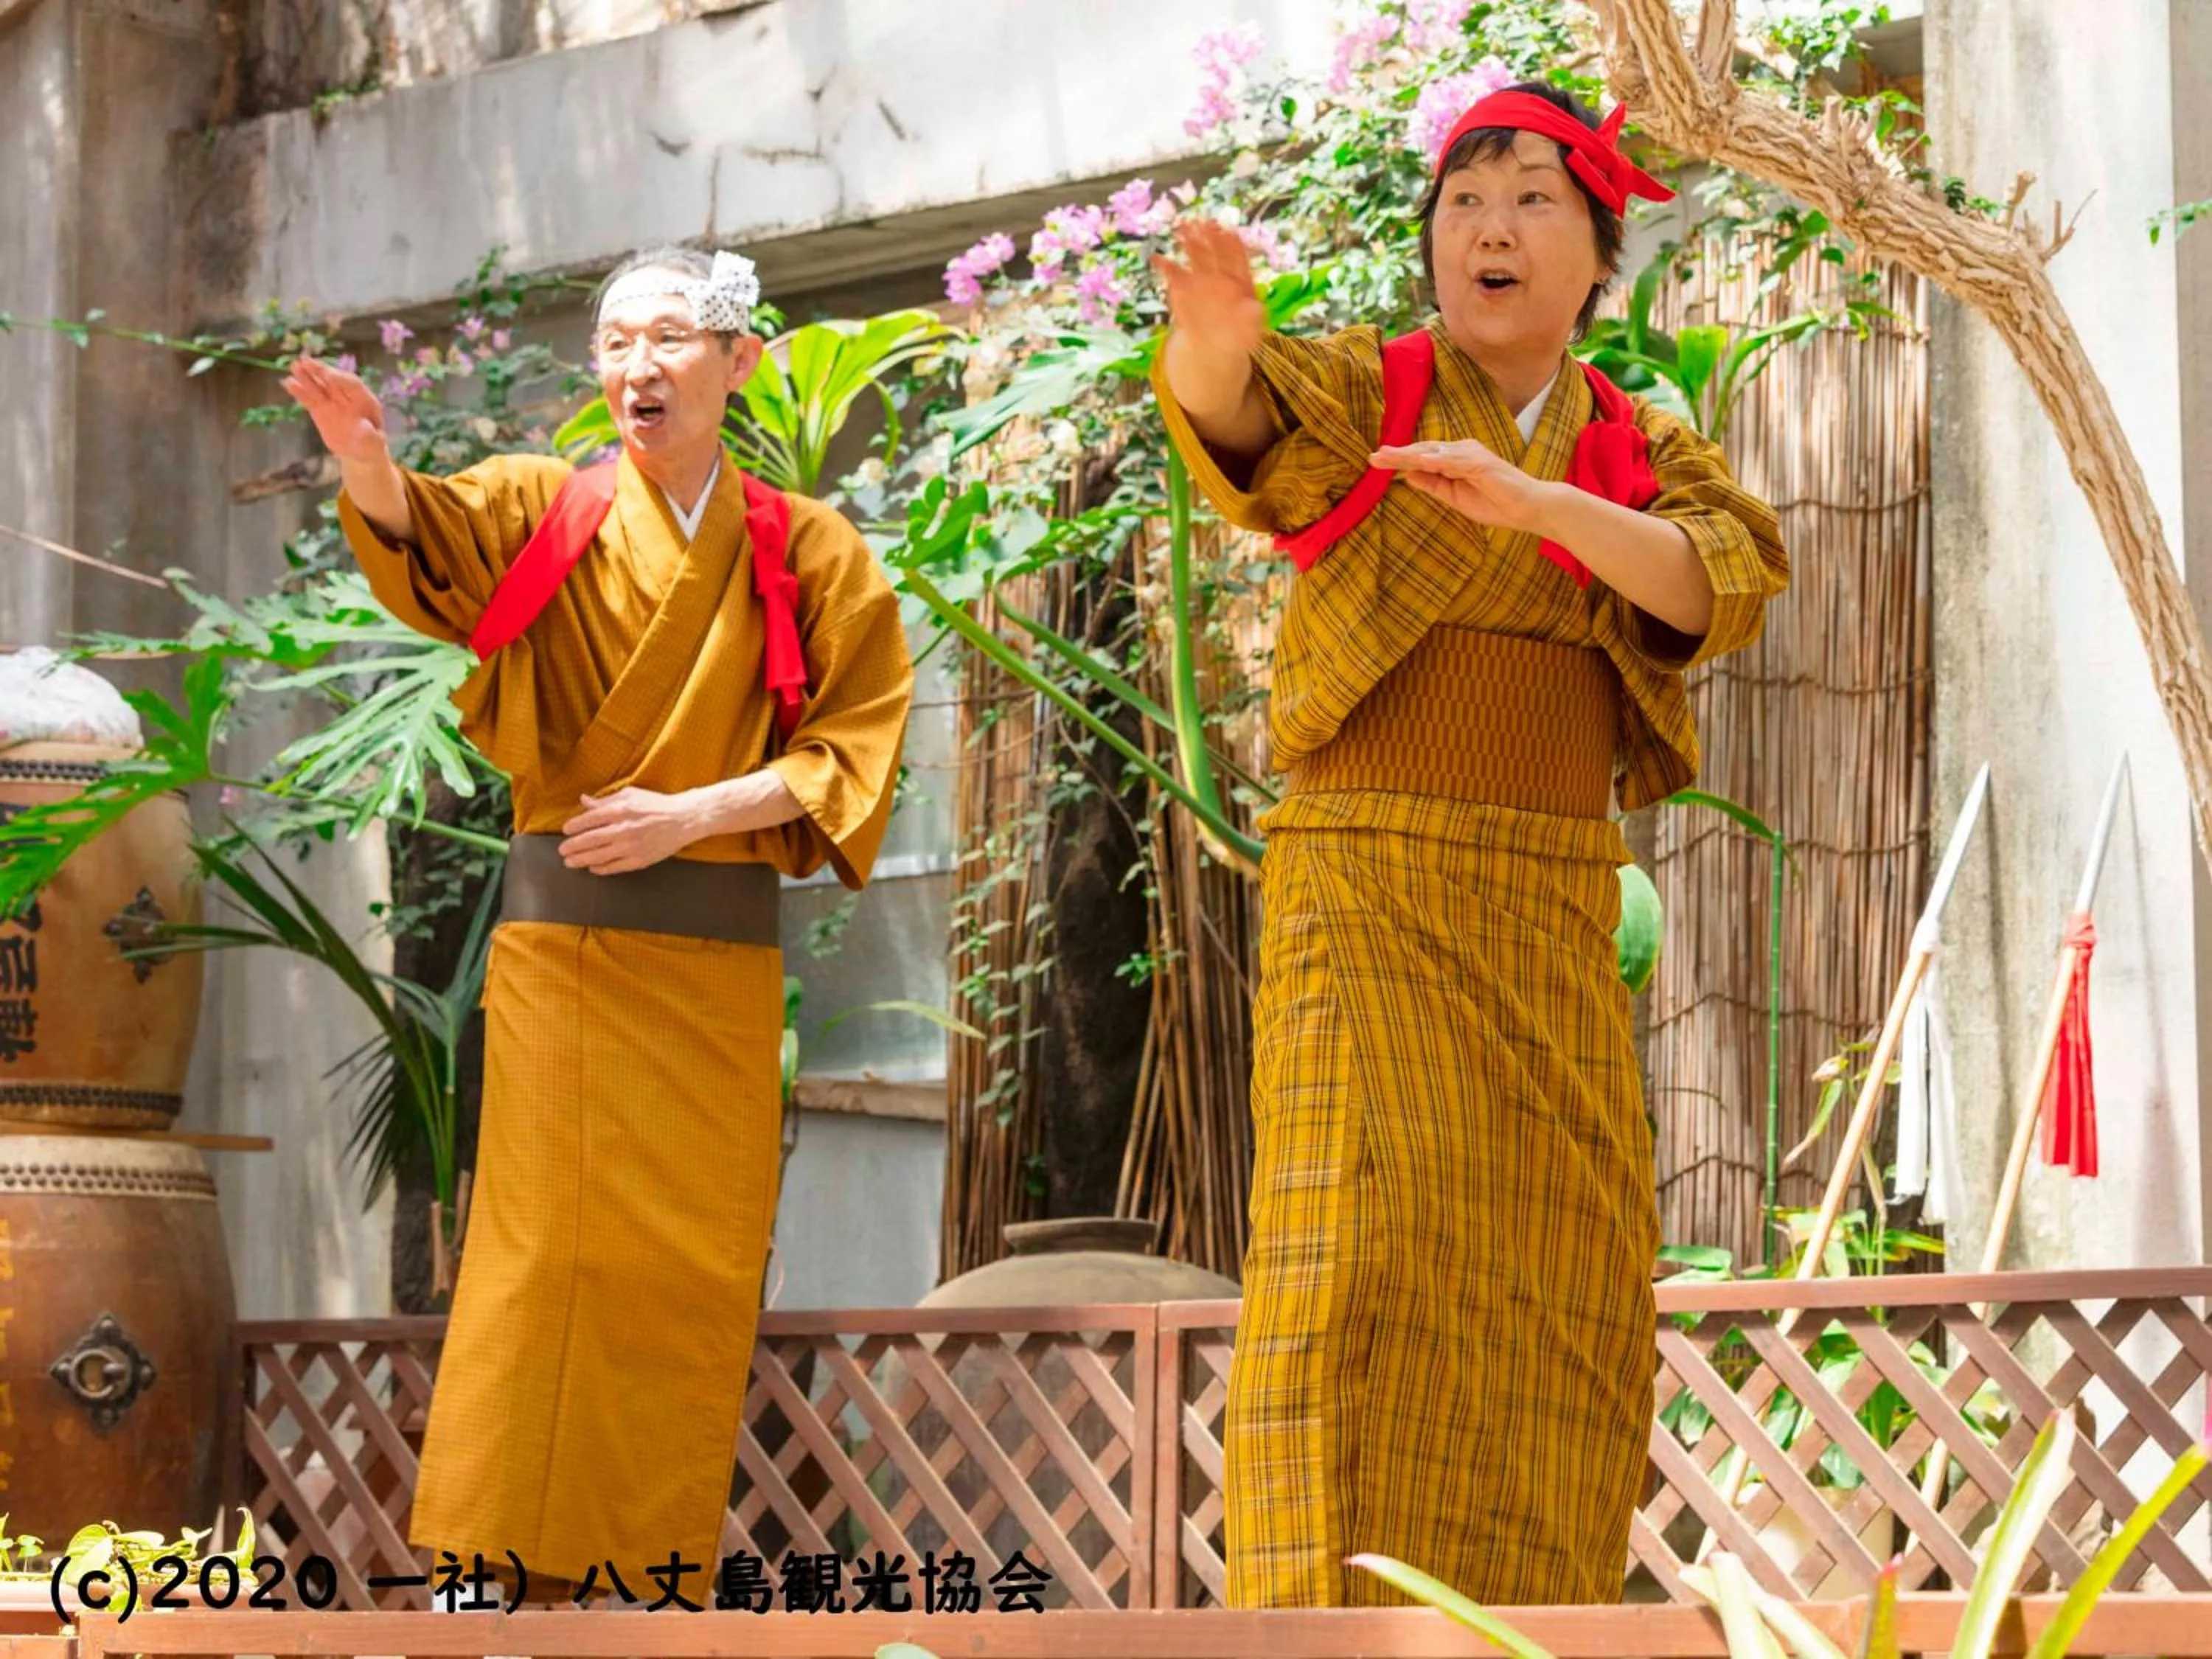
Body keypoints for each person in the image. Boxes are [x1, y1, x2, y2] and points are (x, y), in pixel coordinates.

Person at [1150, 83, 1788, 1608]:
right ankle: (1327, 1633)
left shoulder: (1634, 448)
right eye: (1464, 202)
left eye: (1532, 202)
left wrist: (1543, 506)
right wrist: (1216, 338)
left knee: (1562, 1281)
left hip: (1555, 898)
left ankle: (1532, 1626)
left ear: (1596, 256)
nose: (1490, 229)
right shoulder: (1369, 392)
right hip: (1364, 884)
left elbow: (1720, 582)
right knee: (1352, 1270)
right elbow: (1241, 416)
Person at [284, 245, 914, 1595]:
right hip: (566, 954)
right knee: (543, 1259)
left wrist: (694, 813)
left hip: (723, 969)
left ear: (741, 361)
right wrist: (366, 465)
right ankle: (489, 1576)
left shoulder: (812, 549)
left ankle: (647, 1582)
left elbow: (855, 745)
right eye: (618, 339)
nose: (640, 364)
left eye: (674, 336)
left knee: (687, 1275)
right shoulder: (542, 507)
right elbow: (428, 548)